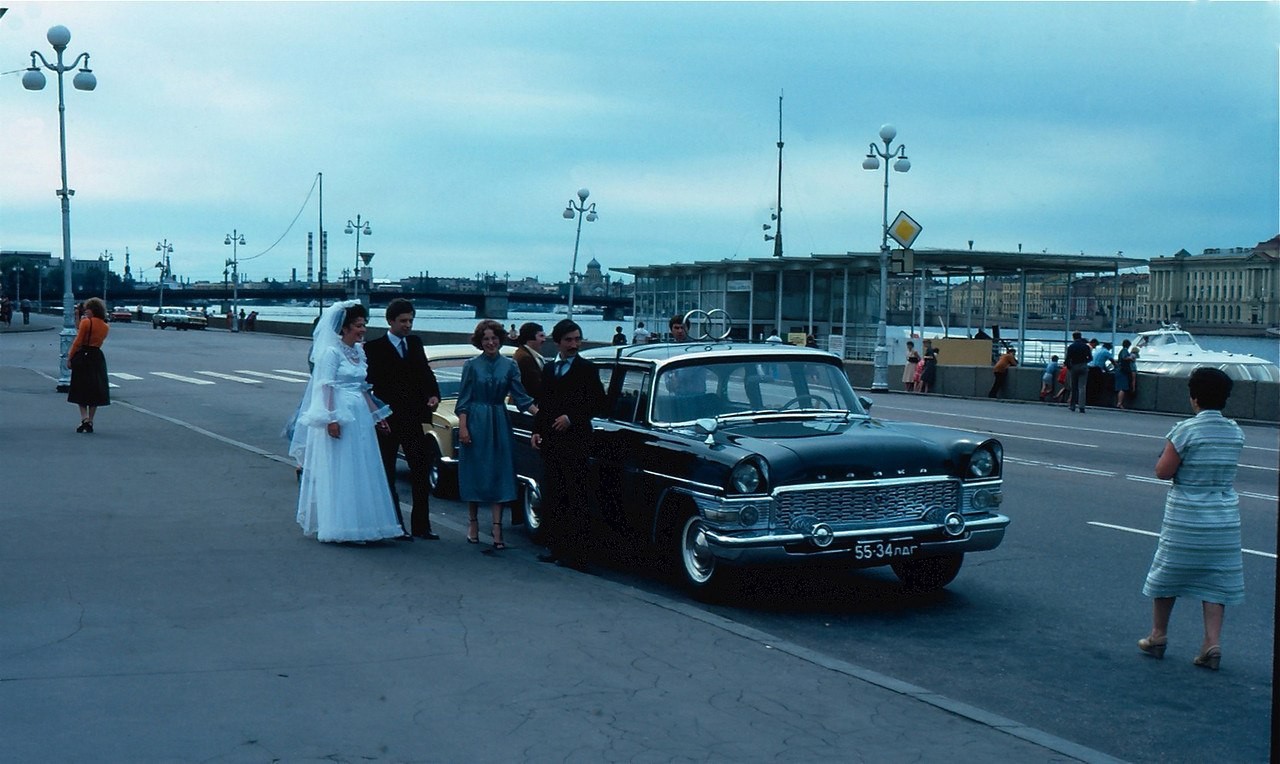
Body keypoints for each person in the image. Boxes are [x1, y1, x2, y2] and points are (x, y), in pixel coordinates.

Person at [1138, 368, 1245, 671]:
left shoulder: (1186, 431)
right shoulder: (1236, 432)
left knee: (1167, 574)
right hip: (1224, 517)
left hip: (1187, 515)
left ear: (1194, 397)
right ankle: (1212, 643)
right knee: (1216, 580)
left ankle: (1158, 636)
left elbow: (1163, 471)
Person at [289, 300, 405, 544]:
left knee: (363, 465)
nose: (362, 330)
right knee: (344, 467)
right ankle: (342, 525)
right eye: (358, 326)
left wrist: (378, 416)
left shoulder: (359, 352)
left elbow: (363, 388)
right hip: (341, 412)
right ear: (344, 328)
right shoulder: (332, 353)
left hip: (360, 413)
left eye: (364, 325)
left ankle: (365, 523)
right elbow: (326, 387)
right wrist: (331, 419)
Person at [365, 298, 442, 539]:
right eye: (403, 321)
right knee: (387, 473)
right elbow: (368, 385)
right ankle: (395, 524)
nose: (407, 325)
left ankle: (421, 526)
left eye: (410, 321)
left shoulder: (415, 343)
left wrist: (433, 395)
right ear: (390, 321)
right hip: (387, 419)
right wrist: (377, 415)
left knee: (420, 470)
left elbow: (425, 373)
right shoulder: (374, 348)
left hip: (414, 418)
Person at [457, 319, 538, 550]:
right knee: (475, 471)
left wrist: (541, 416)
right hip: (475, 419)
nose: (490, 343)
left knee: (500, 471)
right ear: (479, 342)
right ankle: (472, 523)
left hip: (498, 421)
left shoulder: (510, 366)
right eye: (486, 339)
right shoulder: (471, 365)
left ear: (500, 340)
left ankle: (496, 527)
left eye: (494, 338)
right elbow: (464, 399)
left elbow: (522, 398)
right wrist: (463, 427)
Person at [532, 319, 606, 570]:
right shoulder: (551, 369)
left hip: (576, 442)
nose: (574, 344)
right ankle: (556, 547)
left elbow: (599, 402)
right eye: (569, 340)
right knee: (554, 494)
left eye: (577, 339)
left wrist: (572, 417)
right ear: (558, 343)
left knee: (576, 496)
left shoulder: (587, 369)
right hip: (552, 442)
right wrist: (537, 431)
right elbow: (543, 404)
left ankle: (578, 554)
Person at [67, 297, 111, 433]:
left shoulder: (86, 322)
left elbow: (78, 340)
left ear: (92, 310)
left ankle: (84, 418)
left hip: (84, 355)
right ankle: (90, 420)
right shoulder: (105, 326)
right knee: (94, 389)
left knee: (80, 387)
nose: (86, 312)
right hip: (97, 356)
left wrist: (70, 357)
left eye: (87, 310)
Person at [513, 322, 547, 401]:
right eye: (541, 336)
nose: (544, 340)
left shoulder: (523, 353)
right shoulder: (525, 358)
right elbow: (535, 386)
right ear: (530, 338)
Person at [1065, 331, 1092, 413]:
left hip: (1074, 366)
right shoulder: (1086, 346)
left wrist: (1069, 367)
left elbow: (1067, 359)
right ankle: (1082, 407)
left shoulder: (1071, 347)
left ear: (1073, 337)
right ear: (1080, 336)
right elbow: (1090, 358)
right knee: (1082, 387)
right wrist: (1085, 362)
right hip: (1083, 366)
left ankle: (1072, 405)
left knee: (1074, 387)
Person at [1115, 339, 1135, 409]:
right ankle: (1119, 403)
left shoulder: (1122, 351)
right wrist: (1131, 358)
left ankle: (1119, 402)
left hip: (1119, 370)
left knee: (1121, 387)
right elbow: (1124, 357)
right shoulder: (1124, 351)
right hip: (1122, 371)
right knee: (1122, 388)